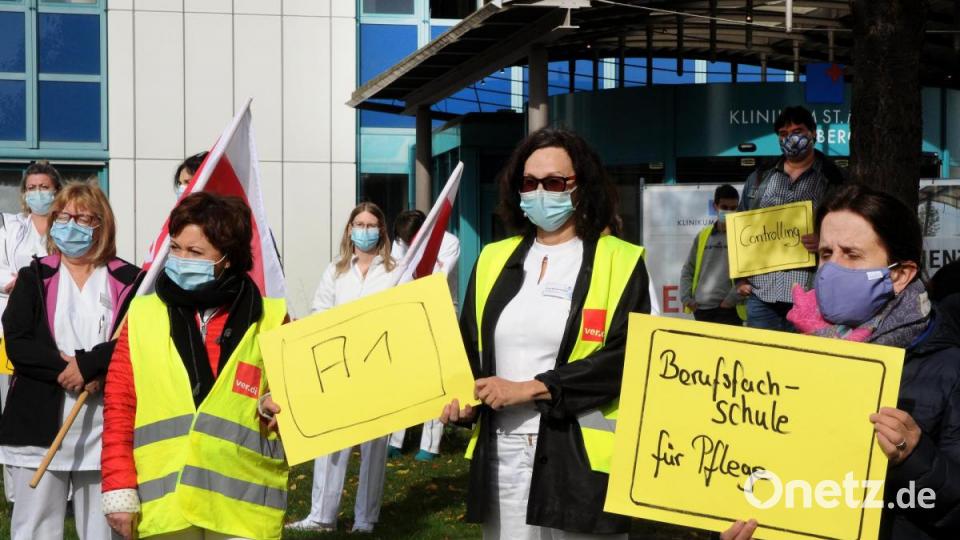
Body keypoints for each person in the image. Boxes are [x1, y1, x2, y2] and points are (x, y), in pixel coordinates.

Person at [440, 127, 652, 539]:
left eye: (554, 182)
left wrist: (533, 388)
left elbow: (626, 358)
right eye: (529, 182)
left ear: (581, 187)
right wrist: (460, 400)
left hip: (579, 457)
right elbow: (467, 351)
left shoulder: (621, 261)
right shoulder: (492, 259)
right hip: (502, 454)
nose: (541, 192)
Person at [727, 184, 960, 539]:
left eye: (851, 255)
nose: (831, 268)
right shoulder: (789, 357)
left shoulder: (949, 369)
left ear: (900, 274)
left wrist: (915, 459)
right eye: (825, 253)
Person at [101, 192, 287, 540]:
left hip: (244, 505)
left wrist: (279, 403)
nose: (181, 259)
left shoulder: (272, 317)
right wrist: (118, 489)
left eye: (195, 252)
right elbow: (120, 406)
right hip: (164, 506)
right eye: (175, 248)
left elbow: (294, 397)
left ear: (228, 259)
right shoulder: (142, 315)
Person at [0, 181, 140, 540]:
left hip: (103, 425)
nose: (69, 223)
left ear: (101, 223)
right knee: (34, 529)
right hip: (38, 424)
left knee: (103, 529)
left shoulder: (129, 279)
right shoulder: (35, 275)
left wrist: (92, 368)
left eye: (81, 217)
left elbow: (135, 338)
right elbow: (17, 341)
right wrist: (69, 370)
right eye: (62, 216)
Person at [286, 201, 398, 534]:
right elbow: (321, 309)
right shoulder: (335, 269)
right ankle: (322, 515)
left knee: (374, 446)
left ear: (381, 230)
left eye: (371, 224)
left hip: (380, 366)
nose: (365, 230)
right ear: (350, 230)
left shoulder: (397, 270)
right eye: (359, 224)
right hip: (340, 366)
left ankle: (366, 518)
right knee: (331, 444)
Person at [735, 106, 846, 331]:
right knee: (761, 361)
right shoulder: (759, 178)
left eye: (798, 130)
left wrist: (826, 242)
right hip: (762, 294)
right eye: (784, 133)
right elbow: (741, 228)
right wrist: (740, 279)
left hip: (813, 295)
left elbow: (850, 229)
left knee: (805, 362)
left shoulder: (834, 179)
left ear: (813, 133)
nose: (791, 138)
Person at [0, 161, 63, 501]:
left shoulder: (67, 226)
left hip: (55, 331)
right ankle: (14, 492)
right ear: (24, 194)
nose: (39, 193)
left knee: (50, 406)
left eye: (45, 187)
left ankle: (56, 485)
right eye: (33, 188)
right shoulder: (11, 227)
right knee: (11, 405)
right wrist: (24, 282)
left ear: (57, 189)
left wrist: (23, 279)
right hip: (11, 332)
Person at [387, 209, 461, 461]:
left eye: (412, 239)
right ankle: (395, 440)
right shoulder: (400, 242)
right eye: (404, 241)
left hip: (440, 311)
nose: (407, 244)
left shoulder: (449, 243)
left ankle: (429, 446)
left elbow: (433, 279)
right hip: (406, 311)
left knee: (435, 379)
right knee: (402, 377)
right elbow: (394, 277)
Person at [679, 184, 744, 326]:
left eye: (733, 208)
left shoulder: (743, 236)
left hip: (729, 310)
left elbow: (748, 275)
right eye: (724, 207)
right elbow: (688, 269)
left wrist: (730, 301)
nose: (728, 211)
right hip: (701, 309)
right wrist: (686, 298)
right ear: (715, 206)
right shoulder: (703, 235)